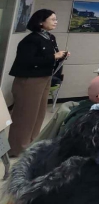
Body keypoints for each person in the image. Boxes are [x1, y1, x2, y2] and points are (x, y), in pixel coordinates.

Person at [8, 9, 69, 157]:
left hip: (45, 78)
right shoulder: (31, 40)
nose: (56, 22)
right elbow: (26, 61)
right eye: (52, 19)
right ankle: (17, 148)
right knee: (25, 115)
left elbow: (49, 57)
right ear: (41, 22)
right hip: (30, 80)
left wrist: (61, 56)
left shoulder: (50, 37)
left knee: (39, 113)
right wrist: (54, 56)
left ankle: (31, 142)